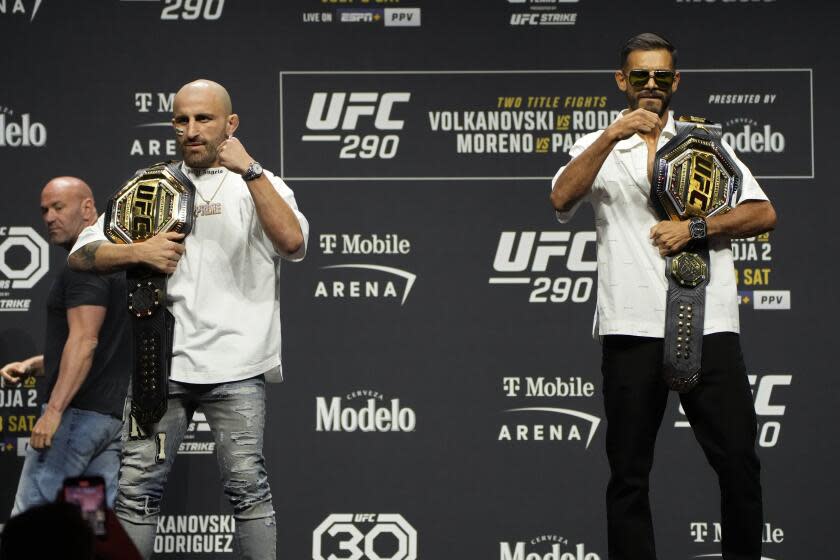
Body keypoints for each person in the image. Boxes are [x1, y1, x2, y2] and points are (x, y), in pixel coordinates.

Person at [549, 33, 777, 560]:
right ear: (621, 81)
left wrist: (695, 228)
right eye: (639, 76)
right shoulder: (598, 144)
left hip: (708, 326)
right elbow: (561, 196)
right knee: (629, 473)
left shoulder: (707, 144)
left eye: (662, 76)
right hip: (632, 328)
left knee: (739, 461)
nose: (651, 85)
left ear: (677, 81)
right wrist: (614, 132)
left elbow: (763, 212)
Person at [68, 79, 309, 560]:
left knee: (248, 490)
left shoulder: (259, 183)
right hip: (158, 368)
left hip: (237, 368)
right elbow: (81, 253)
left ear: (230, 124)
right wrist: (138, 251)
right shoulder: (150, 186)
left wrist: (252, 171)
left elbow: (293, 244)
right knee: (135, 494)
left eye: (204, 119)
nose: (192, 130)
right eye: (182, 120)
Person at [1, 177, 129, 515]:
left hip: (75, 416)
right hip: (110, 420)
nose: (49, 217)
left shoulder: (83, 264)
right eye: (44, 210)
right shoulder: (117, 260)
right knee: (89, 534)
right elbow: (96, 345)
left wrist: (54, 411)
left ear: (88, 208)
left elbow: (85, 342)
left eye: (59, 207)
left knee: (32, 524)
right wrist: (34, 365)